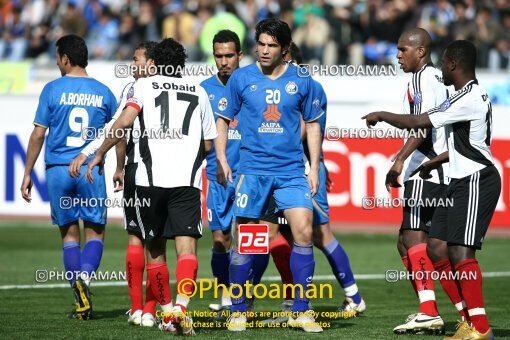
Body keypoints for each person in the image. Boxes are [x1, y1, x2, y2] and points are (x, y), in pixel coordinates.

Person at [363, 40, 501, 340]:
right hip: (456, 178)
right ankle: (465, 319)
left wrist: (381, 115)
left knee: (460, 250)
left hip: (476, 179)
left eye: (444, 63)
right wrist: (434, 161)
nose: (441, 68)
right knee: (436, 247)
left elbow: (419, 122)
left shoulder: (467, 96)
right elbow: (466, 144)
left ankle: (478, 326)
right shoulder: (464, 94)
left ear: (452, 64)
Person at [86, 38, 217, 336]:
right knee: (187, 250)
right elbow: (208, 143)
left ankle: (167, 310)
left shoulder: (144, 86)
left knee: (154, 249)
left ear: (155, 63)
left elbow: (124, 123)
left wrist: (99, 153)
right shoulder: (199, 92)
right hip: (187, 182)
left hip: (149, 181)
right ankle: (181, 311)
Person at [215, 18, 324, 333]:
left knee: (303, 233)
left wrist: (314, 166)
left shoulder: (302, 80)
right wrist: (222, 157)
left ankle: (302, 310)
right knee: (247, 242)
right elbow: (223, 119)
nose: (264, 51)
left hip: (290, 172)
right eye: (260, 44)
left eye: (272, 45)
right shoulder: (241, 79)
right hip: (253, 173)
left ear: (286, 49)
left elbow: (314, 123)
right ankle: (238, 310)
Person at [258, 42, 365, 326]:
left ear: (288, 56)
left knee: (319, 236)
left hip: (302, 173)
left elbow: (300, 129)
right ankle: (292, 301)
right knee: (277, 235)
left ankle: (352, 296)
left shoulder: (303, 86)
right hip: (286, 172)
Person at [20, 34, 117, 320]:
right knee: (95, 232)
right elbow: (119, 131)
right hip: (90, 169)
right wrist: (119, 167)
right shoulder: (103, 92)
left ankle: (79, 302)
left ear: (65, 58)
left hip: (59, 171)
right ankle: (84, 281)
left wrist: (27, 172)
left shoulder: (52, 90)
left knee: (69, 235)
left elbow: (39, 134)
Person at [69, 41, 159, 327]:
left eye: (136, 59)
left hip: (141, 170)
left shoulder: (137, 89)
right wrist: (116, 164)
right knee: (161, 242)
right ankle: (153, 309)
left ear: (152, 63)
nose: (132, 65)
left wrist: (97, 155)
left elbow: (119, 127)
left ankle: (139, 309)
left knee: (137, 237)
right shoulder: (179, 86)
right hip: (170, 174)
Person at [382, 28, 461, 335]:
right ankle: (450, 312)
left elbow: (424, 126)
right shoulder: (437, 79)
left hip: (427, 170)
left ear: (421, 52)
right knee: (411, 243)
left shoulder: (421, 79)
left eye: (403, 49)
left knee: (414, 238)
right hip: (441, 169)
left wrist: (401, 159)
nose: (398, 55)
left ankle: (429, 311)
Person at [200, 30, 243, 315]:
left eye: (229, 55)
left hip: (250, 175)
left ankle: (243, 298)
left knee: (250, 240)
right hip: (216, 176)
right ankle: (227, 294)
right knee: (219, 240)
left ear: (240, 55)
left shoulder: (253, 84)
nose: (224, 61)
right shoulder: (203, 90)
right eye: (219, 56)